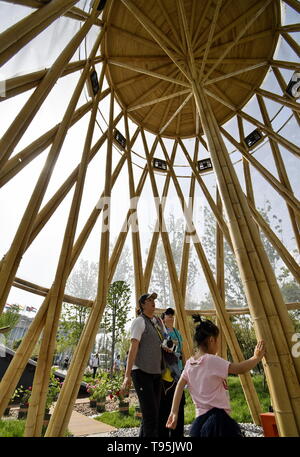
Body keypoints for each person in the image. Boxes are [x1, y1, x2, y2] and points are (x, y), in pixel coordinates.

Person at [166, 314, 266, 437]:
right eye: (217, 340)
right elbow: (239, 368)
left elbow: (179, 386)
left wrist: (174, 412)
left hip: (200, 422)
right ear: (212, 340)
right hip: (219, 422)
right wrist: (256, 357)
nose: (218, 344)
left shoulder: (190, 363)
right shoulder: (211, 360)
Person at [121, 292, 165, 437]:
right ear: (142, 305)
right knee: (151, 415)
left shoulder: (158, 322)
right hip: (140, 372)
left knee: (152, 414)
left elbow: (165, 341)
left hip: (156, 372)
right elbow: (133, 349)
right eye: (149, 300)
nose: (153, 302)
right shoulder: (139, 321)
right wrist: (127, 376)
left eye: (154, 299)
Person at [158, 307, 185, 438]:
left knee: (179, 403)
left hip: (178, 371)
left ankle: (177, 436)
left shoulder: (177, 333)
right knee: (165, 405)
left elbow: (181, 350)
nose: (171, 318)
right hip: (166, 373)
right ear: (163, 319)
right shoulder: (161, 332)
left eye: (172, 316)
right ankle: (163, 435)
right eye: (168, 316)